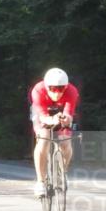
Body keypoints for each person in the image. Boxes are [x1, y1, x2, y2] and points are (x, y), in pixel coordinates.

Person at [30, 68, 79, 197]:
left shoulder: (72, 91)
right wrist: (52, 120)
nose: (57, 92)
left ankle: (63, 172)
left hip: (61, 112)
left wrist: (66, 119)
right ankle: (40, 181)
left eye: (61, 88)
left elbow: (69, 114)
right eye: (52, 88)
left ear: (66, 86)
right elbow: (42, 116)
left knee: (65, 141)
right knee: (44, 138)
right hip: (43, 114)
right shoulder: (38, 90)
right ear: (46, 86)